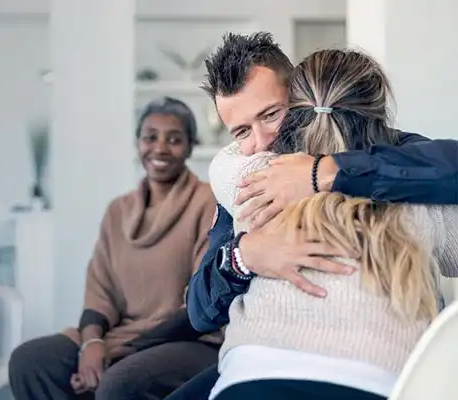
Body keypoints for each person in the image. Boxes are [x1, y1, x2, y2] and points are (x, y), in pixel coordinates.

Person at [167, 32, 458, 400]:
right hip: (264, 356)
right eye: (241, 131)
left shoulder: (397, 149)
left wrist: (324, 172)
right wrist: (245, 255)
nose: (262, 141)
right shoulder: (247, 176)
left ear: (300, 92)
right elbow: (200, 310)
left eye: (271, 115)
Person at [8, 97, 220, 400]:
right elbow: (99, 293)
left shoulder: (208, 203)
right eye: (150, 137)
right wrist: (92, 345)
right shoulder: (118, 211)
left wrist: (116, 350)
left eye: (174, 139)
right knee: (31, 361)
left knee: (119, 381)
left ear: (189, 147)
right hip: (119, 335)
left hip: (192, 341)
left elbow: (201, 307)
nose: (160, 148)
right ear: (138, 143)